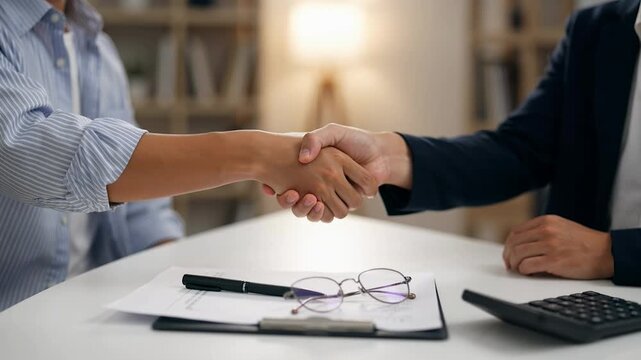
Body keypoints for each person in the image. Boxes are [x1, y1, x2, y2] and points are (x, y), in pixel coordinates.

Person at [0, 0, 376, 311]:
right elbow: (30, 149)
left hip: (91, 308)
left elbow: (139, 208)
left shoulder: (100, 52)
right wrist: (260, 153)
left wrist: (179, 289)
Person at [268, 0, 641, 286]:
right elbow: (519, 151)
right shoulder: (597, 30)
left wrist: (612, 254)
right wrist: (389, 155)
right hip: (584, 305)